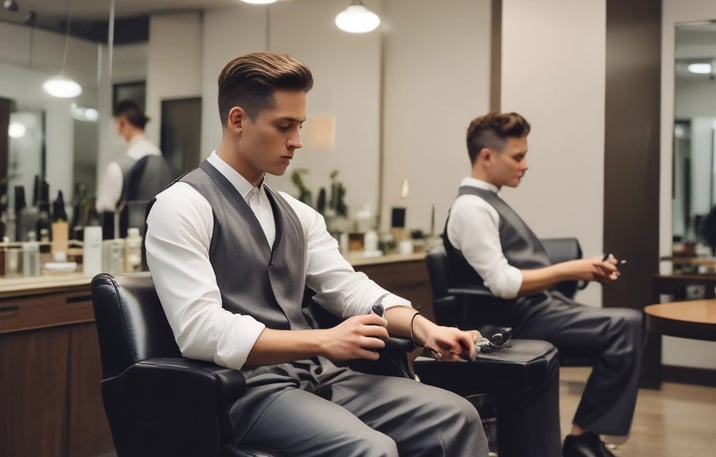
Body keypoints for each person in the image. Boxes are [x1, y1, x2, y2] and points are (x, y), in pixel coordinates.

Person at [144, 51, 489, 456]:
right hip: (247, 391)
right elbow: (200, 330)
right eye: (284, 126)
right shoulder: (181, 206)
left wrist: (424, 328)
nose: (297, 141)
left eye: (300, 125)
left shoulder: (297, 214)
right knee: (372, 449)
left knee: (457, 416)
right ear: (238, 120)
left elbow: (348, 288)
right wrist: (323, 340)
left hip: (319, 376)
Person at [444, 111, 644, 457]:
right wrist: (571, 269)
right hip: (512, 320)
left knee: (629, 325)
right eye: (518, 157)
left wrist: (581, 271)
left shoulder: (489, 201)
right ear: (487, 156)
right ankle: (582, 440)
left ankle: (585, 437)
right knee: (625, 325)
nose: (525, 165)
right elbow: (503, 283)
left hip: (537, 310)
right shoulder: (471, 208)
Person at [96, 99, 175, 237]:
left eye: (115, 124)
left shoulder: (118, 167)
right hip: (160, 239)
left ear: (122, 123)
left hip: (128, 243)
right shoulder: (164, 163)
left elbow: (104, 207)